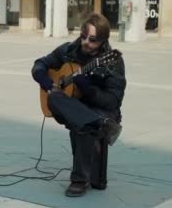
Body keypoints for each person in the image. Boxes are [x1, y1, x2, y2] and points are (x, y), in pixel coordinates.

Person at [31, 12, 126, 197]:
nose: (86, 43)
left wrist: (88, 90)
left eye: (92, 40)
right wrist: (47, 83)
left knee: (83, 125)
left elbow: (113, 101)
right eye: (83, 37)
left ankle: (79, 180)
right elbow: (39, 65)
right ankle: (101, 126)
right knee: (54, 98)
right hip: (74, 107)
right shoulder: (68, 50)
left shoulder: (112, 61)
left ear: (103, 41)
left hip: (101, 111)